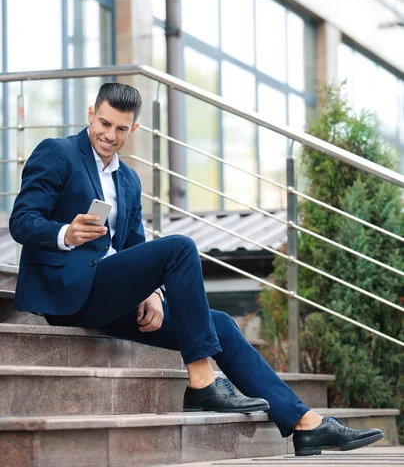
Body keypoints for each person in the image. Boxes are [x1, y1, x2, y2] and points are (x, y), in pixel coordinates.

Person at [9, 83, 383, 457]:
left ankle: (305, 424)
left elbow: (134, 248)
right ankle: (202, 382)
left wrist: (152, 293)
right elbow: (22, 221)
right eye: (104, 123)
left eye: (121, 129)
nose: (110, 135)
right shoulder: (57, 154)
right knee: (180, 247)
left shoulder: (129, 180)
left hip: (108, 294)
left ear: (134, 130)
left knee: (219, 322)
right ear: (91, 114)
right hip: (68, 291)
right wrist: (65, 233)